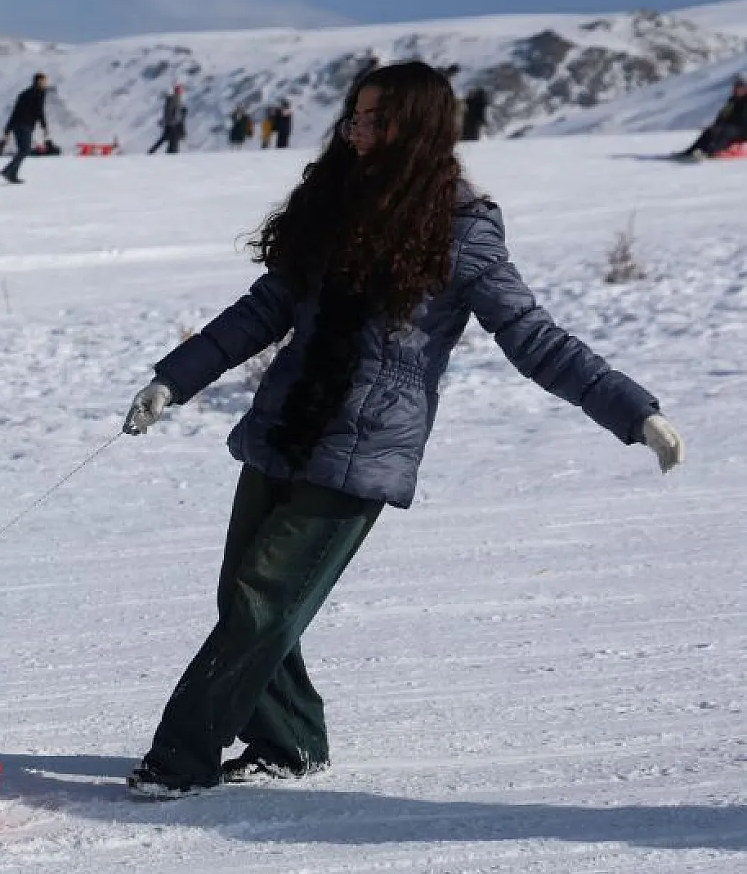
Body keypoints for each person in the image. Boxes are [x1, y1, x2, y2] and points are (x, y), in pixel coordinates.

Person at [120, 60, 684, 799]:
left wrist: (632, 409)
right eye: (354, 117)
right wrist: (176, 377)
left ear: (415, 128)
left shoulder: (462, 229)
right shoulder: (335, 205)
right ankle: (289, 741)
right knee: (245, 600)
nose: (357, 132)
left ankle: (180, 756)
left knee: (262, 598)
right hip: (288, 422)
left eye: (375, 119)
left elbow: (533, 336)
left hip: (362, 450)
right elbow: (265, 307)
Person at [0, 72, 51, 183]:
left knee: (23, 150)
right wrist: (44, 126)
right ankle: (8, 171)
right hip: (24, 124)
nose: (46, 83)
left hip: (18, 125)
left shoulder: (25, 93)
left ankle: (11, 174)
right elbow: (39, 111)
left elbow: (14, 112)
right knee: (25, 150)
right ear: (38, 81)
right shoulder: (39, 93)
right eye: (44, 81)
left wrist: (7, 129)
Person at [679, 77, 747, 160]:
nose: (737, 90)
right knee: (709, 131)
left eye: (740, 88)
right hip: (731, 127)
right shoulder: (732, 101)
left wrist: (726, 125)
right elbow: (723, 115)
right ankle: (692, 151)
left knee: (725, 131)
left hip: (742, 130)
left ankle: (711, 152)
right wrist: (716, 125)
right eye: (736, 88)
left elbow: (743, 119)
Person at [148, 84, 188, 154]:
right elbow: (171, 113)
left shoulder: (176, 100)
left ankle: (153, 152)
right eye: (179, 91)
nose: (180, 93)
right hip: (172, 125)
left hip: (173, 124)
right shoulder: (173, 100)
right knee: (172, 140)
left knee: (167, 139)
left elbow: (176, 114)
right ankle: (166, 154)